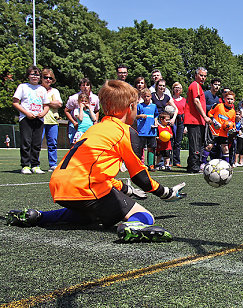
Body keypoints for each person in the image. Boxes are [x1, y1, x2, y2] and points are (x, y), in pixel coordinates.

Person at [6, 80, 186, 243]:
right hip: (87, 187)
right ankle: (133, 227)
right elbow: (141, 177)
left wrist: (126, 190)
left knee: (90, 215)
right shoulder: (125, 132)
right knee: (143, 215)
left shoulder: (94, 129)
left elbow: (94, 170)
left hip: (59, 186)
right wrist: (165, 192)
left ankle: (37, 216)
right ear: (130, 107)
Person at [12, 65, 49, 174]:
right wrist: (27, 113)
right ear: (28, 75)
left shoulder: (42, 89)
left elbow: (46, 105)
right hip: (26, 119)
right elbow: (15, 102)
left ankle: (35, 165)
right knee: (26, 142)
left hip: (39, 119)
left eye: (37, 74)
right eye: (32, 74)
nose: (35, 76)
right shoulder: (23, 87)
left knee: (37, 143)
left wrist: (43, 113)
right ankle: (25, 165)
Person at [185, 67, 212, 173]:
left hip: (198, 120)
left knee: (198, 144)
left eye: (205, 76)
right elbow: (196, 101)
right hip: (194, 120)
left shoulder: (199, 86)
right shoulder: (195, 85)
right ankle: (194, 167)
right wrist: (204, 116)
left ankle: (192, 165)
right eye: (201, 75)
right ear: (196, 75)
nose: (203, 78)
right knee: (196, 144)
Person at [65, 78, 100, 145]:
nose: (85, 87)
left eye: (87, 85)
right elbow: (66, 111)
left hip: (90, 124)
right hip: (77, 125)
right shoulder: (74, 98)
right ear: (80, 87)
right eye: (83, 85)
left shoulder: (95, 98)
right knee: (74, 146)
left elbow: (97, 110)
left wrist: (96, 121)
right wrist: (74, 122)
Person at [40, 68, 63, 172]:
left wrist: (46, 102)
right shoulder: (37, 89)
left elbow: (59, 104)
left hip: (52, 121)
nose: (48, 79)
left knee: (52, 143)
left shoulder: (55, 91)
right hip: (39, 120)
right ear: (41, 78)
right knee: (37, 143)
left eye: (50, 78)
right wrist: (51, 102)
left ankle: (52, 164)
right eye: (45, 77)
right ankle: (34, 163)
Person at [206, 90, 236, 164]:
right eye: (228, 99)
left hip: (223, 133)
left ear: (234, 100)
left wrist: (233, 129)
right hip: (214, 131)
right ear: (224, 99)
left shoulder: (233, 112)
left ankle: (227, 165)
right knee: (209, 146)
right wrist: (214, 121)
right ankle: (202, 163)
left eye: (231, 99)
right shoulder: (219, 106)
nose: (229, 101)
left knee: (225, 148)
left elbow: (233, 123)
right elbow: (209, 113)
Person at [135, 88, 158, 171]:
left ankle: (151, 164)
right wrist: (140, 116)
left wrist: (156, 122)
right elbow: (135, 116)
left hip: (151, 131)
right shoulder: (139, 106)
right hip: (142, 131)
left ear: (151, 96)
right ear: (142, 97)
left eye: (148, 96)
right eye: (144, 96)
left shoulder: (154, 106)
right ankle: (140, 164)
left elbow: (156, 115)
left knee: (151, 148)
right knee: (140, 148)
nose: (146, 98)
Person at [171, 82, 186, 167]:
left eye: (179, 88)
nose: (177, 89)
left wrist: (186, 126)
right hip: (172, 119)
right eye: (176, 87)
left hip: (181, 120)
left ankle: (176, 161)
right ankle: (168, 160)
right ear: (173, 89)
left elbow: (186, 113)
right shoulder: (170, 99)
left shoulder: (184, 100)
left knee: (178, 142)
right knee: (170, 141)